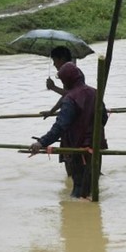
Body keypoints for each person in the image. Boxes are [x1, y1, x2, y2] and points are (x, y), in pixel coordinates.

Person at [29, 62, 108, 199]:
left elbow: (60, 126)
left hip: (78, 149)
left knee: (78, 188)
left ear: (67, 81)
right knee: (91, 185)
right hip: (95, 147)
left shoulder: (70, 99)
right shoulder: (95, 92)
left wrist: (41, 142)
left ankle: (74, 214)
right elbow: (103, 118)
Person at [40, 46, 82, 176]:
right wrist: (51, 111)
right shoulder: (71, 73)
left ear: (61, 59)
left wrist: (53, 87)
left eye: (55, 61)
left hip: (73, 124)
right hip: (75, 123)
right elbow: (66, 97)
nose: (54, 64)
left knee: (74, 167)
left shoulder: (72, 74)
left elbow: (71, 95)